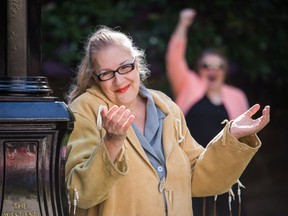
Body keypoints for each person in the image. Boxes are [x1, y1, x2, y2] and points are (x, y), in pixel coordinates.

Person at [64, 26, 270, 216]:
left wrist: (232, 136)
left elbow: (199, 177)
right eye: (106, 74)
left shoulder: (166, 106)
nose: (119, 80)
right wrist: (112, 143)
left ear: (137, 63)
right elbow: (79, 194)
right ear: (95, 76)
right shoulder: (84, 110)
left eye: (125, 67)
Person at [166, 8, 251, 215]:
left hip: (225, 168)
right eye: (206, 65)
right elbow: (174, 58)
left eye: (218, 66)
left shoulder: (236, 95)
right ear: (199, 69)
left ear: (225, 71)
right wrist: (183, 24)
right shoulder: (188, 85)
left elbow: (245, 137)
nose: (212, 70)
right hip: (191, 167)